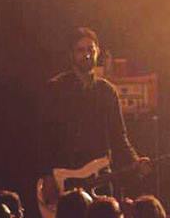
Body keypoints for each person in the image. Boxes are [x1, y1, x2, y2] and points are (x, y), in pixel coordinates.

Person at [39, 27, 149, 196]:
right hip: (64, 176)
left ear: (98, 51)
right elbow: (44, 135)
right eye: (80, 50)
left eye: (91, 49)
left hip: (100, 178)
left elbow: (119, 136)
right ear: (71, 55)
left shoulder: (107, 91)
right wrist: (47, 175)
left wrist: (135, 161)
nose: (87, 54)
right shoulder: (56, 88)